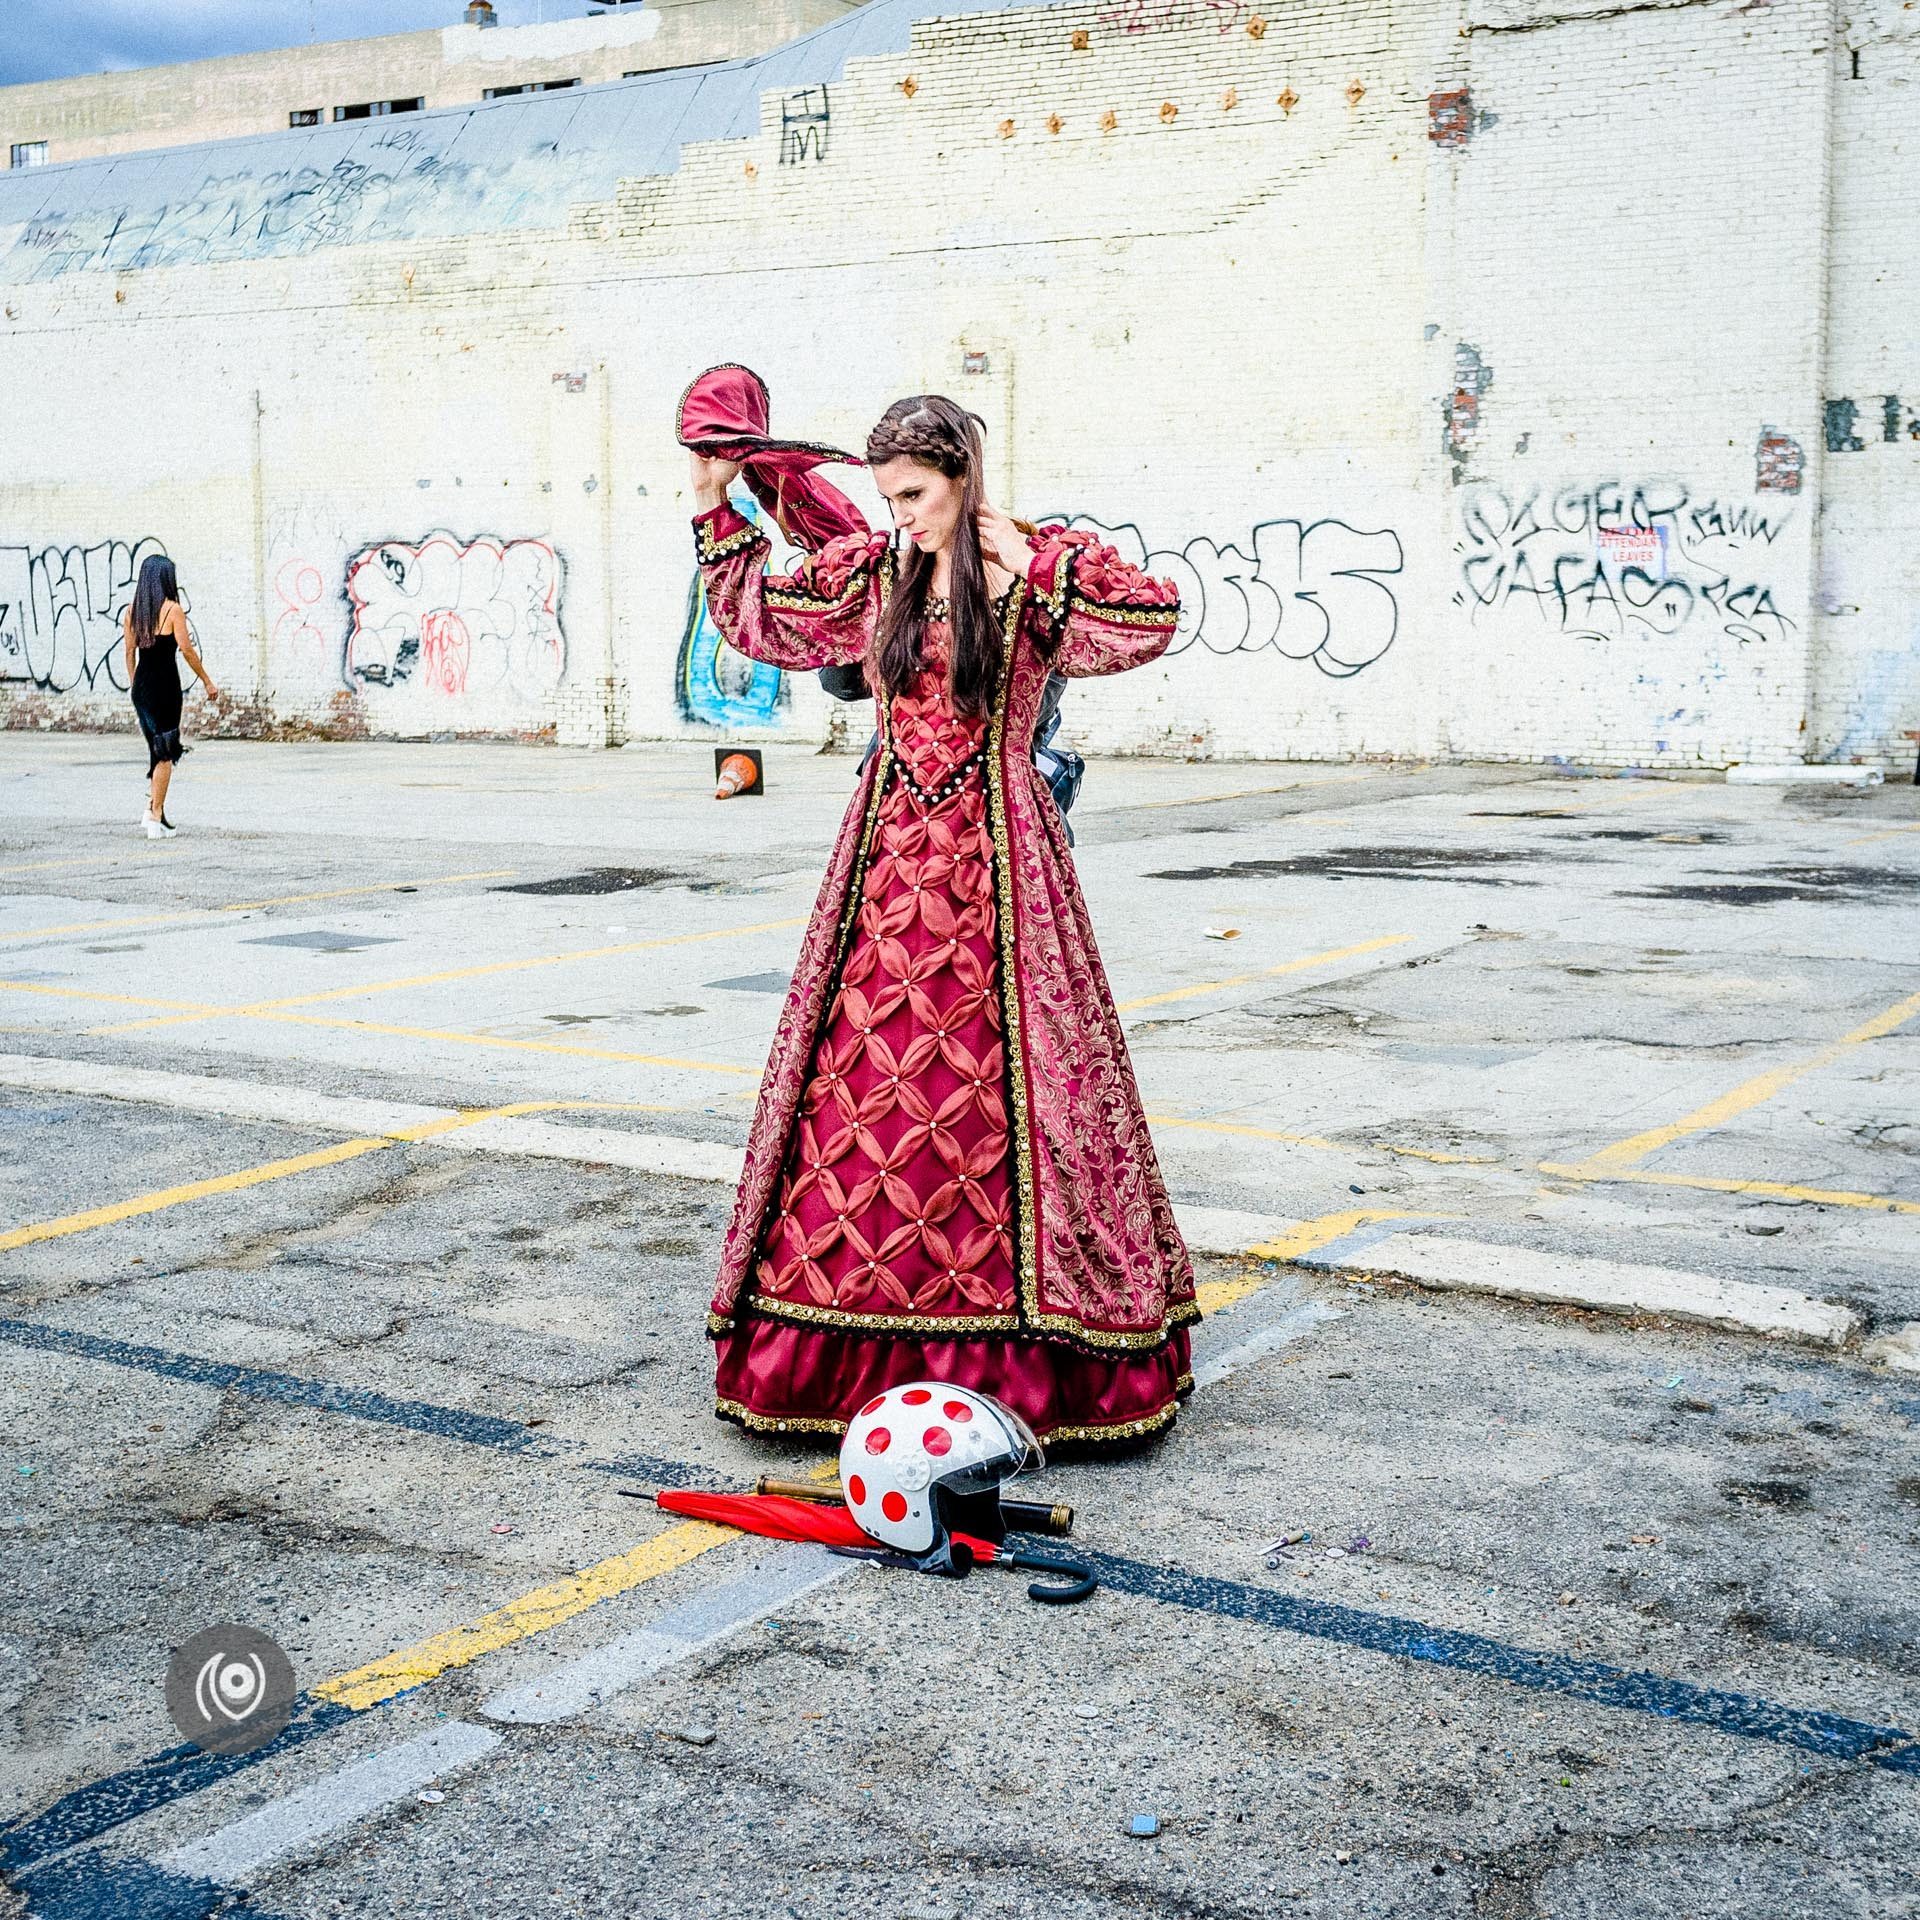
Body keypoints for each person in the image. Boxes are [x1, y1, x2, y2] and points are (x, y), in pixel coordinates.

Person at [687, 393, 1197, 1448]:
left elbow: (1150, 622)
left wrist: (1035, 558)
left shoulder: (1034, 569)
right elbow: (759, 622)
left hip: (1006, 860)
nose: (902, 515)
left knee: (1024, 1086)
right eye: (888, 499)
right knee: (873, 1085)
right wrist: (712, 500)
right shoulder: (879, 574)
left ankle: (1043, 1352)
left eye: (916, 495)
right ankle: (845, 1354)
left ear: (964, 473)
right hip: (888, 863)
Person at [121, 555, 219, 839]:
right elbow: (187, 651)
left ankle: (154, 810)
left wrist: (135, 684)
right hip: (166, 687)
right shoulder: (173, 610)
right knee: (165, 751)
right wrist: (207, 681)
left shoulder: (132, 611)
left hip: (142, 688)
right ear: (165, 579)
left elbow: (129, 652)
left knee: (156, 748)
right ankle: (155, 815)